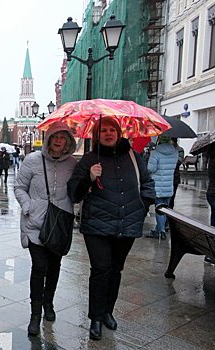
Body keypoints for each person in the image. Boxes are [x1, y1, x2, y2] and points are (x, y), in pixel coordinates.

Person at [67, 117, 155, 341]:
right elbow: (74, 193)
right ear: (97, 136)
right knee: (101, 269)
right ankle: (95, 317)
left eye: (111, 130)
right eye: (103, 130)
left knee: (116, 270)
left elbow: (147, 184)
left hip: (128, 222)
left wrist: (142, 207)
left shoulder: (133, 157)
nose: (108, 134)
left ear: (119, 133)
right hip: (97, 225)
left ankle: (108, 311)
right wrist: (89, 177)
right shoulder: (89, 160)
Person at [14, 124, 77, 336]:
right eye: (55, 137)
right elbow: (19, 187)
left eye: (63, 138)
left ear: (68, 142)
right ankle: (35, 314)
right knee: (39, 266)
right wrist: (27, 206)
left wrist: (91, 177)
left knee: (54, 266)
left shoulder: (72, 164)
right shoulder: (32, 160)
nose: (59, 141)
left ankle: (48, 302)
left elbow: (77, 191)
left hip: (58, 223)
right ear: (49, 139)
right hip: (35, 222)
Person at [145, 136, 178, 240]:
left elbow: (151, 168)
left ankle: (161, 231)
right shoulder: (175, 152)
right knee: (165, 209)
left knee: (158, 209)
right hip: (169, 186)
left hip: (158, 186)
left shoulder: (155, 153)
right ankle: (160, 228)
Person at [169, 138, 184, 209]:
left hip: (175, 176)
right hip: (166, 176)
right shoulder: (167, 149)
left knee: (172, 197)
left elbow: (179, 161)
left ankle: (170, 214)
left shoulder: (180, 150)